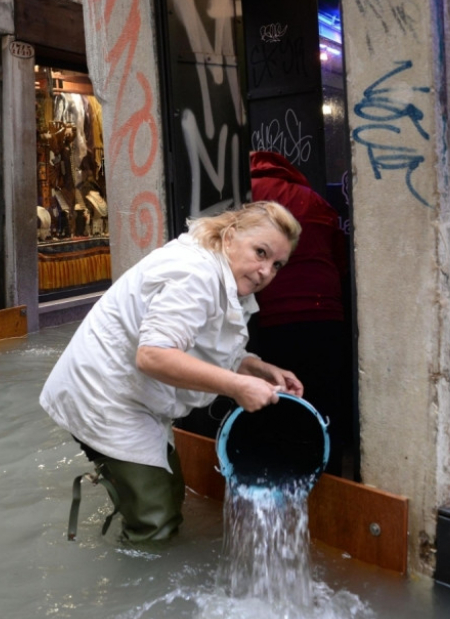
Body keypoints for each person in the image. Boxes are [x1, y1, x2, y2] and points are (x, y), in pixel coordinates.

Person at [40, 201, 304, 543]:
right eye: (260, 252)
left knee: (169, 493)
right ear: (230, 236)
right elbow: (153, 355)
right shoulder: (194, 274)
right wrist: (237, 387)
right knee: (156, 521)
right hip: (106, 397)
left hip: (137, 398)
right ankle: (136, 589)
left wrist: (256, 367)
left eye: (277, 264)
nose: (266, 271)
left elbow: (203, 347)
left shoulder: (224, 275)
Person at [248, 150, 353, 476]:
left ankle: (278, 476)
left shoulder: (248, 196)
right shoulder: (314, 198)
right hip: (325, 314)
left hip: (273, 316)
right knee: (323, 402)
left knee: (275, 399)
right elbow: (341, 258)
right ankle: (328, 476)